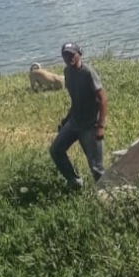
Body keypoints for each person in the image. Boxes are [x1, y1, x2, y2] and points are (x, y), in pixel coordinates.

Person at [49, 42, 107, 189]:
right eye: (65, 55)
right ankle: (74, 182)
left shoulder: (88, 72)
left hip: (89, 126)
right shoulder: (67, 72)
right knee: (56, 150)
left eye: (71, 54)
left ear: (79, 54)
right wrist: (67, 119)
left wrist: (100, 126)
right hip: (74, 123)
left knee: (96, 168)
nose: (68, 58)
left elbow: (102, 100)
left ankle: (105, 193)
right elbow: (75, 99)